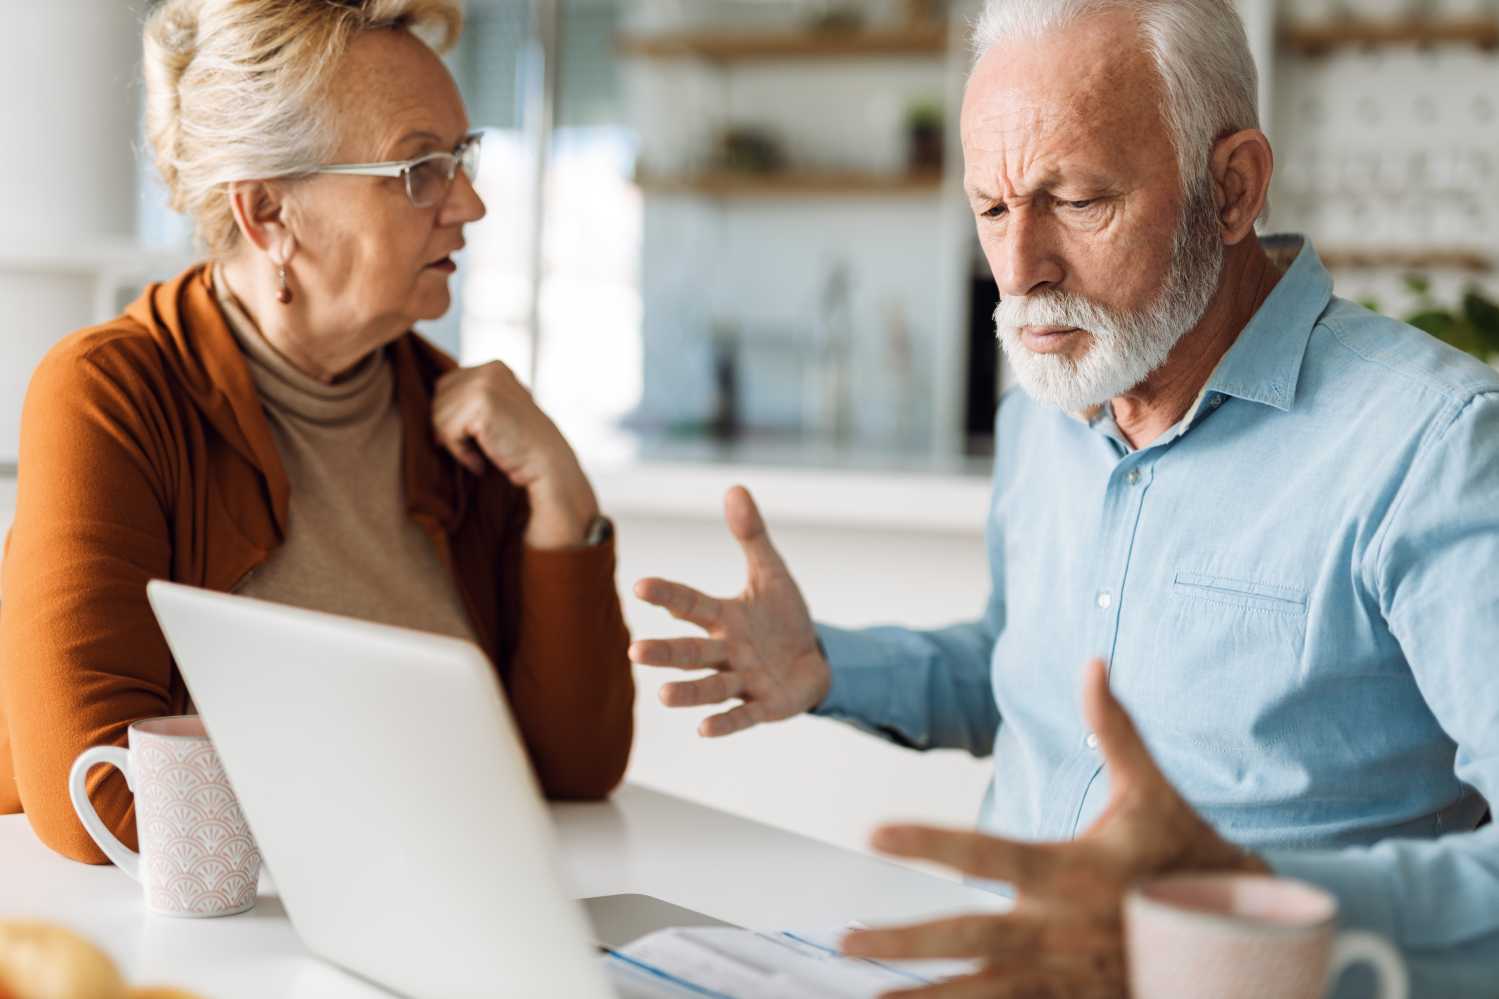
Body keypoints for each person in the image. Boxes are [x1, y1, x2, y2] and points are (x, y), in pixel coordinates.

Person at [630, 1, 1499, 995]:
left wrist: (1238, 902)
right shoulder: (1046, 410)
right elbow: (1030, 673)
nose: (1018, 274)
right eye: (991, 209)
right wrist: (827, 667)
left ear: (1230, 188)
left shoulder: (1433, 447)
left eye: (1077, 200)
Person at [0, 0, 634, 866]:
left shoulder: (465, 415)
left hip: (439, 910)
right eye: (420, 168)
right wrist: (417, 803)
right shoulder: (113, 393)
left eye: (463, 157)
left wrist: (562, 498)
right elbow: (95, 801)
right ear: (268, 214)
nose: (471, 203)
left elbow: (574, 770)